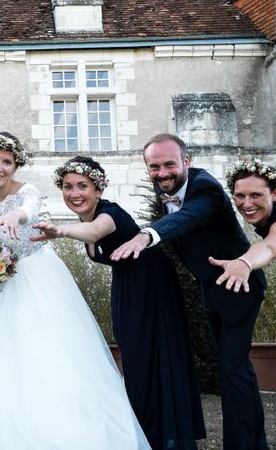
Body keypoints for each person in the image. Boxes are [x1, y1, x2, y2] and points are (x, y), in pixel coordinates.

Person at [0, 133, 150, 449]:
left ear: (15, 165)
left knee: (41, 357)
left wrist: (15, 215)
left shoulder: (27, 192)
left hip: (34, 280)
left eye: (6, 162)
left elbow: (31, 209)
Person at [32, 156, 205, 449]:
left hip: (151, 283)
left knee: (150, 356)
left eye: (83, 186)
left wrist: (60, 231)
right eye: (68, 186)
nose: (74, 193)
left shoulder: (107, 212)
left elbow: (97, 232)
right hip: (130, 285)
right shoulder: (85, 220)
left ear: (98, 190)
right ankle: (145, 431)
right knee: (135, 357)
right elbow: (91, 234)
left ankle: (167, 435)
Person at [110, 133, 268, 450]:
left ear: (186, 161)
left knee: (231, 369)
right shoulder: (165, 190)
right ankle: (256, 442)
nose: (162, 173)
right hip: (212, 290)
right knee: (239, 371)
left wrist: (147, 235)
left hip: (240, 286)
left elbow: (188, 218)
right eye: (154, 167)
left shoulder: (205, 187)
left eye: (169, 164)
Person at [210, 159, 276, 291]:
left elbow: (270, 247)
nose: (247, 204)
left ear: (275, 193)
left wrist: (245, 262)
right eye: (240, 196)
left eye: (256, 195)